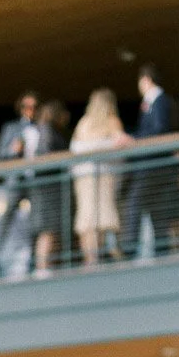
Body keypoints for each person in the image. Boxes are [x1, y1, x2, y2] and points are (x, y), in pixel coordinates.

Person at [120, 65, 178, 257]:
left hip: (153, 166)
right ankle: (162, 250)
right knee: (157, 209)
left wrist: (134, 139)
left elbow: (159, 129)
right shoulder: (153, 102)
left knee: (133, 204)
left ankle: (129, 250)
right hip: (157, 167)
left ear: (146, 79)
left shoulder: (159, 101)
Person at [70, 89, 128, 267]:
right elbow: (123, 146)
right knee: (103, 217)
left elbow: (74, 150)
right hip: (104, 178)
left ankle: (90, 261)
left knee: (88, 220)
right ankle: (102, 258)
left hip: (83, 179)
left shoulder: (83, 123)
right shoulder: (112, 121)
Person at [0, 90, 42, 269]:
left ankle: (33, 257)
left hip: (37, 180)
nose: (30, 110)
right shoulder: (11, 128)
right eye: (27, 106)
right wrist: (13, 150)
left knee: (37, 219)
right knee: (7, 216)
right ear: (20, 108)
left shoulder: (43, 127)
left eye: (34, 106)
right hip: (16, 180)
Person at [27, 98, 70, 277]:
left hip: (47, 189)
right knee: (48, 230)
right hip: (48, 189)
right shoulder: (46, 130)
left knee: (51, 230)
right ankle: (42, 268)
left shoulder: (44, 130)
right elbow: (44, 156)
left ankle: (45, 267)